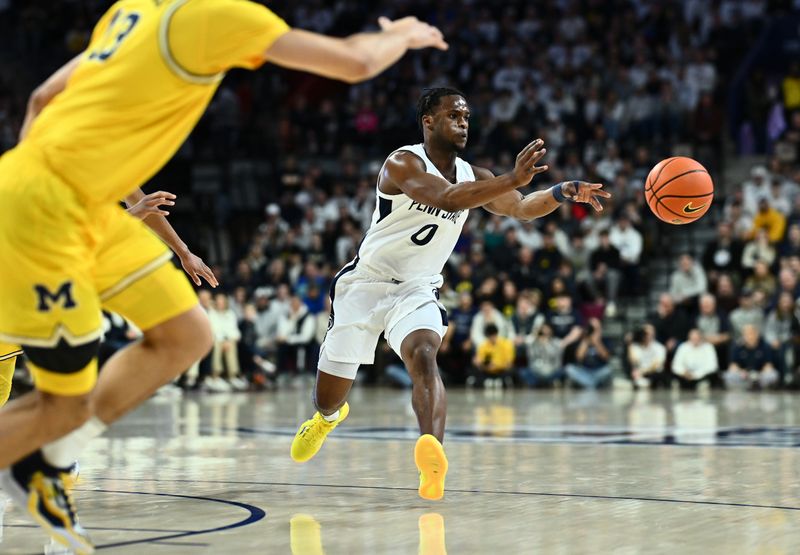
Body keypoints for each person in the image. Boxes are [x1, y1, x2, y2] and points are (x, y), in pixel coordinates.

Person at [0, 2, 450, 550]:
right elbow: (354, 62)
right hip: (48, 208)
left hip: (77, 202)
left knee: (188, 335)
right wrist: (401, 33)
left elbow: (42, 99)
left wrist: (44, 174)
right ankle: (45, 460)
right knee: (59, 406)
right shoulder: (216, 17)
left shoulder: (132, 10)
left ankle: (48, 459)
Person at [290, 88, 610, 501]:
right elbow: (445, 196)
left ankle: (432, 455)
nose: (463, 123)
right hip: (364, 286)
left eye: (467, 117)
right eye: (454, 116)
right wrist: (510, 178)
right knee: (328, 398)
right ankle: (328, 418)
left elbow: (523, 207)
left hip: (417, 288)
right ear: (428, 121)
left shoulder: (474, 175)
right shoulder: (402, 162)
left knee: (424, 355)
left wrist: (562, 192)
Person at [724, 324, 779, 389]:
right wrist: (741, 372)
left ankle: (758, 386)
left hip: (760, 375)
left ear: (757, 334)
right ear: (743, 335)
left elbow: (768, 365)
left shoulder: (765, 345)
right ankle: (746, 386)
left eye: (752, 333)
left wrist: (759, 374)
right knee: (729, 375)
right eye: (747, 334)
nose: (750, 336)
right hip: (743, 375)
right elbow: (733, 365)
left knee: (772, 375)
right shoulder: (737, 346)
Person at [565, 318, 612, 389]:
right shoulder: (583, 340)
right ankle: (592, 384)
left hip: (599, 371)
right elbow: (579, 358)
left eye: (596, 328)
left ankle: (588, 384)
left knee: (608, 370)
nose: (593, 331)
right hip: (584, 371)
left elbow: (605, 357)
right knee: (569, 369)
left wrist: (597, 342)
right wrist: (586, 341)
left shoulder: (605, 340)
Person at [627, 324, 668, 389]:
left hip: (654, 375)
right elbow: (633, 361)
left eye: (649, 334)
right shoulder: (635, 347)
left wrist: (642, 372)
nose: (647, 336)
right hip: (639, 374)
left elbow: (657, 365)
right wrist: (630, 344)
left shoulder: (660, 348)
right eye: (645, 334)